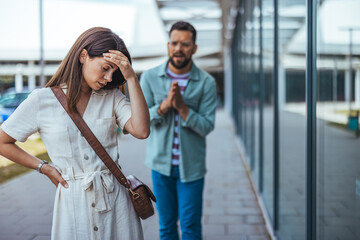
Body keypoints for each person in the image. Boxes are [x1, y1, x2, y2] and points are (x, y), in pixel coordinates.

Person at [0, 27, 149, 240]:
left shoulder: (112, 97)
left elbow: (142, 131)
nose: (108, 78)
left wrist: (132, 78)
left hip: (116, 202)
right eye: (105, 68)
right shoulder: (42, 100)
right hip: (72, 202)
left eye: (114, 73)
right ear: (83, 56)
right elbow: (3, 141)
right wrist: (44, 167)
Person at [140, 21, 217, 240]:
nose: (178, 49)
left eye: (185, 44)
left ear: (194, 48)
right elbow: (141, 121)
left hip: (191, 168)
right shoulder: (150, 77)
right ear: (168, 45)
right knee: (166, 227)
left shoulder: (206, 83)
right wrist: (164, 106)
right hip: (160, 167)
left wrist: (183, 108)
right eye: (174, 43)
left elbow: (206, 126)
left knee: (191, 226)